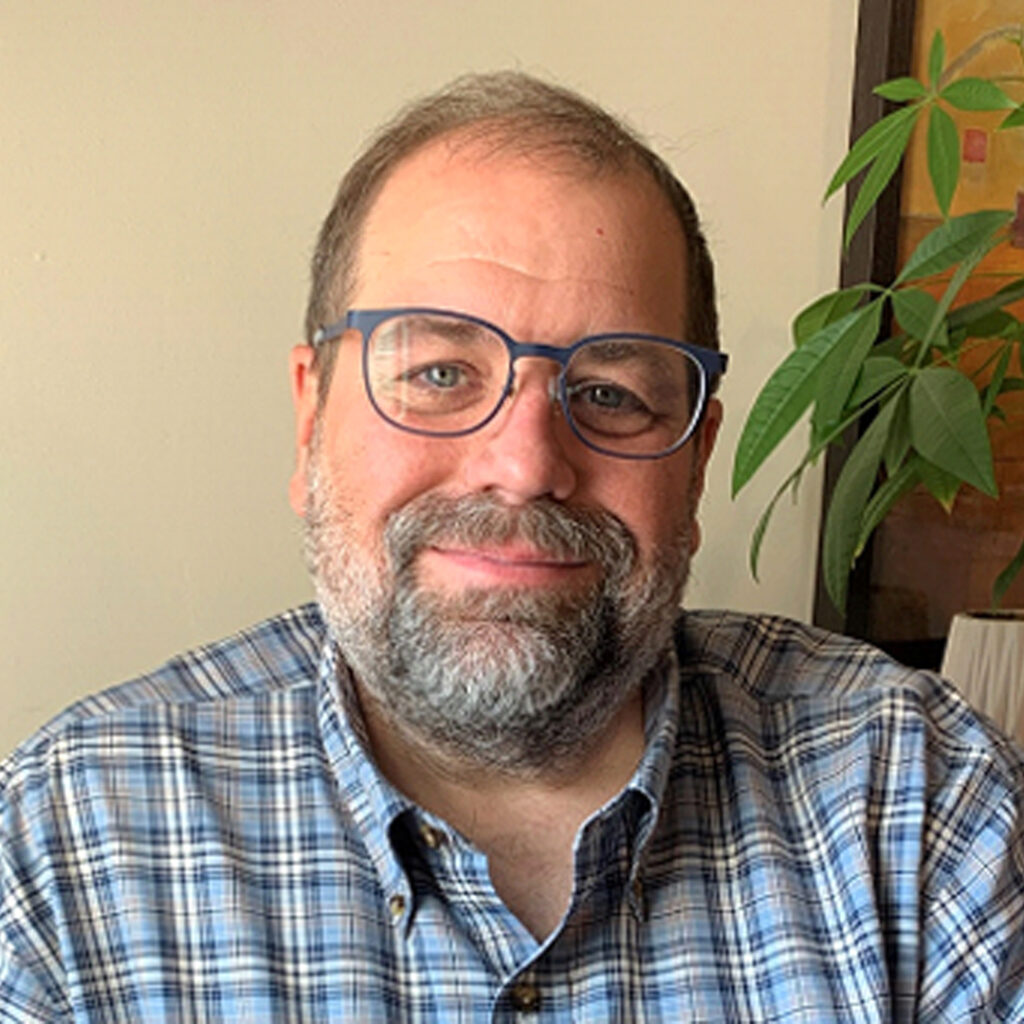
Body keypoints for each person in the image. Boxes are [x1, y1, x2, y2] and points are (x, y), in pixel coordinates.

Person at [2, 72, 1022, 1023]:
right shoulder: (66, 844)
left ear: (698, 458)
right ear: (310, 419)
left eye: (612, 392)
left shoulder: (919, 798)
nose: (526, 464)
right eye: (441, 373)